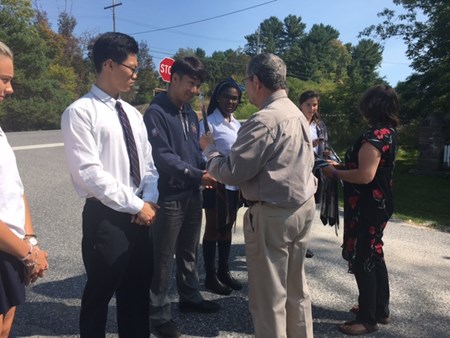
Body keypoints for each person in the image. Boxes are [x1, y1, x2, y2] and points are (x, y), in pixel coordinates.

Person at [200, 53, 317, 338]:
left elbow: (232, 172)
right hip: (302, 206)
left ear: (256, 80)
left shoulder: (263, 120)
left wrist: (209, 150)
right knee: (295, 290)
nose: (244, 91)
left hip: (274, 214)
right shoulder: (296, 113)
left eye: (246, 84)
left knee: (269, 298)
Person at [61, 32, 159, 338]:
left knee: (136, 293)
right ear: (108, 64)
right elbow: (89, 173)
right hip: (106, 218)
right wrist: (136, 205)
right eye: (131, 68)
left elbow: (149, 164)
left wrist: (150, 201)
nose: (135, 75)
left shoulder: (132, 114)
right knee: (99, 295)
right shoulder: (80, 112)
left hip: (142, 215)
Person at [143, 56, 219, 338]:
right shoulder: (156, 112)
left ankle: (189, 297)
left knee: (189, 251)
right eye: (191, 83)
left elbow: (191, 150)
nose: (195, 90)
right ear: (173, 78)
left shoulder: (189, 111)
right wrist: (198, 174)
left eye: (198, 85)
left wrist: (204, 166)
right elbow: (162, 158)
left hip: (192, 192)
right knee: (162, 257)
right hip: (169, 196)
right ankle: (159, 313)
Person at [322, 84, 399, 336]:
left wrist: (334, 172)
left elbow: (365, 175)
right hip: (379, 203)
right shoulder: (388, 132)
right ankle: (379, 309)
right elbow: (369, 168)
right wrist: (342, 165)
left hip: (369, 205)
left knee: (364, 256)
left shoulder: (374, 136)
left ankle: (367, 320)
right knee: (375, 253)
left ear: (370, 106)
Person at [0, 40, 49, 337]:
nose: (10, 89)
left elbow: (16, 189)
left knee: (6, 326)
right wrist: (28, 254)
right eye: (4, 80)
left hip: (12, 249)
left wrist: (30, 241)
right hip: (9, 248)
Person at [200, 77, 243, 296]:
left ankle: (224, 271)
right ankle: (210, 275)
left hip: (234, 184)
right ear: (218, 97)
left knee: (228, 227)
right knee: (214, 227)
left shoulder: (236, 124)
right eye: (226, 96)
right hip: (215, 183)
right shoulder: (209, 122)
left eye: (235, 98)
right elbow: (200, 151)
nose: (230, 101)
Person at [298, 90, 330, 258]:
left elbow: (325, 146)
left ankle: (304, 242)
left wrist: (326, 154)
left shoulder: (319, 125)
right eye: (308, 105)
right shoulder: (296, 123)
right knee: (299, 207)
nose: (312, 108)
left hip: (316, 171)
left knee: (311, 208)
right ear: (301, 105)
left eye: (314, 105)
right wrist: (311, 143)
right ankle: (295, 242)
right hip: (299, 172)